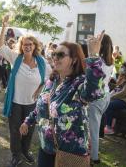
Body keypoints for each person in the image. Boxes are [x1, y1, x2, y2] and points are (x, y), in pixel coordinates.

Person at [19, 32, 106, 167]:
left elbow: (94, 91)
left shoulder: (79, 83)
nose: (55, 58)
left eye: (60, 55)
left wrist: (94, 56)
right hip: (46, 148)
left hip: (70, 152)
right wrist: (28, 121)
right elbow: (41, 107)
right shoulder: (51, 81)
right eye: (54, 54)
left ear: (74, 59)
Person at [0, 15, 51, 167]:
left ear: (34, 46)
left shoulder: (42, 63)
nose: (27, 46)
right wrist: (4, 26)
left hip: (33, 103)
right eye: (25, 44)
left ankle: (25, 151)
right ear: (21, 46)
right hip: (15, 102)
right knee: (15, 130)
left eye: (30, 44)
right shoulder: (16, 58)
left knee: (29, 128)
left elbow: (50, 78)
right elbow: (1, 46)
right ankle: (16, 155)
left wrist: (40, 89)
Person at [88, 34, 114, 164]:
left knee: (93, 129)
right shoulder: (110, 60)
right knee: (94, 127)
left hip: (97, 98)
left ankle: (94, 158)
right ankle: (91, 154)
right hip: (105, 96)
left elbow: (92, 79)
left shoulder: (98, 61)